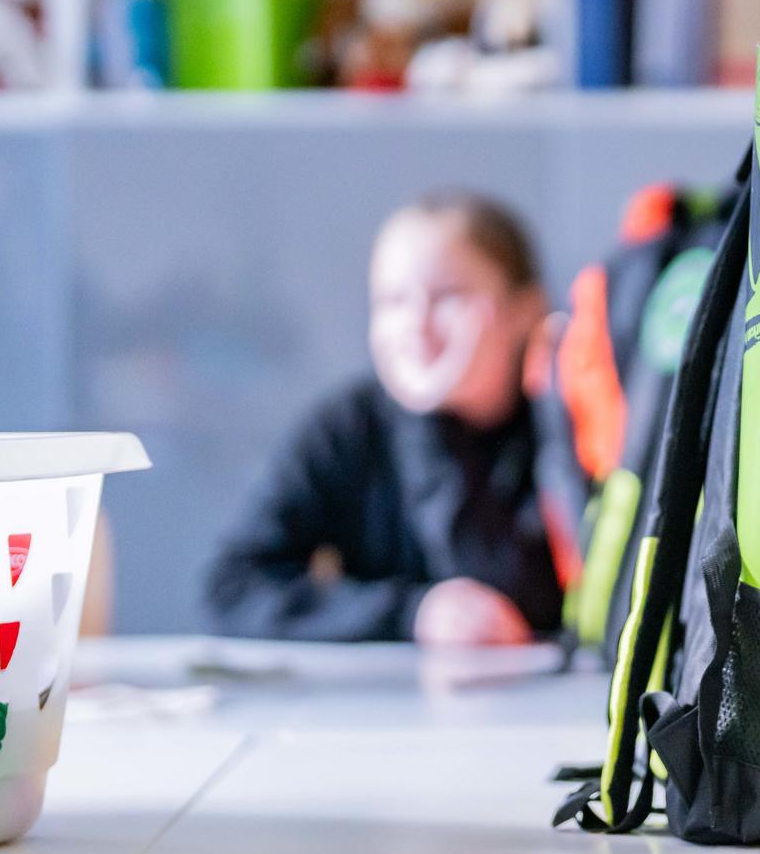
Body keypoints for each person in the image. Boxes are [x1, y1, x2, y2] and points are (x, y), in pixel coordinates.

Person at [205, 191, 559, 646]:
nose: (416, 323)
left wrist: (429, 410)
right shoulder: (347, 425)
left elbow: (517, 596)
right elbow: (230, 589)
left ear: (524, 310)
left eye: (448, 296)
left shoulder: (567, 422)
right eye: (394, 301)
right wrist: (409, 614)